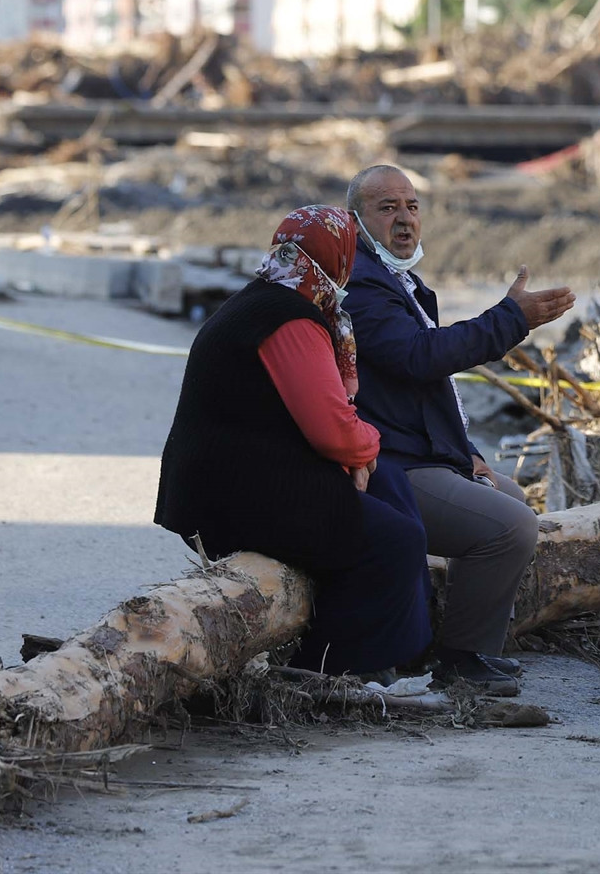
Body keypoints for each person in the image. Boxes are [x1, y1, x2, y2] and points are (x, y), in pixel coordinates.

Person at [153, 204, 430, 677]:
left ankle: (404, 651)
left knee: (394, 490)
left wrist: (360, 454)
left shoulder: (270, 296)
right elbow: (333, 429)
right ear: (337, 259)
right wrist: (363, 449)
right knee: (395, 540)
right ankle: (332, 667)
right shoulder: (291, 319)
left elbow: (330, 422)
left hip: (244, 476)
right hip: (238, 496)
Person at [344, 165, 576, 688]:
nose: (404, 220)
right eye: (387, 208)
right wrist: (511, 319)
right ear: (355, 221)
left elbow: (424, 388)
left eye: (412, 206)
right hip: (383, 464)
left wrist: (462, 449)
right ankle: (459, 664)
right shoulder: (360, 284)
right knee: (509, 527)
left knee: (512, 498)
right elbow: (420, 358)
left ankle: (457, 643)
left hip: (407, 449)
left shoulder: (398, 281)